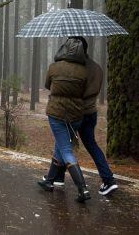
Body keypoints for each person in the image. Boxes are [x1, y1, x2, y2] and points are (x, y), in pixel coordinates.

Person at [50, 37, 118, 196]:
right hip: (91, 112)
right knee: (90, 145)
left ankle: (57, 178)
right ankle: (108, 179)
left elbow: (74, 92)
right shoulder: (97, 68)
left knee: (63, 144)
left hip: (76, 113)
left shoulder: (78, 68)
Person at [37, 37, 91, 202]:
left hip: (57, 114)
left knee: (65, 150)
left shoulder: (54, 67)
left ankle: (83, 189)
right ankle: (49, 181)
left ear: (64, 49)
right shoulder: (84, 71)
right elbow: (86, 91)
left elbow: (47, 85)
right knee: (60, 147)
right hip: (76, 115)